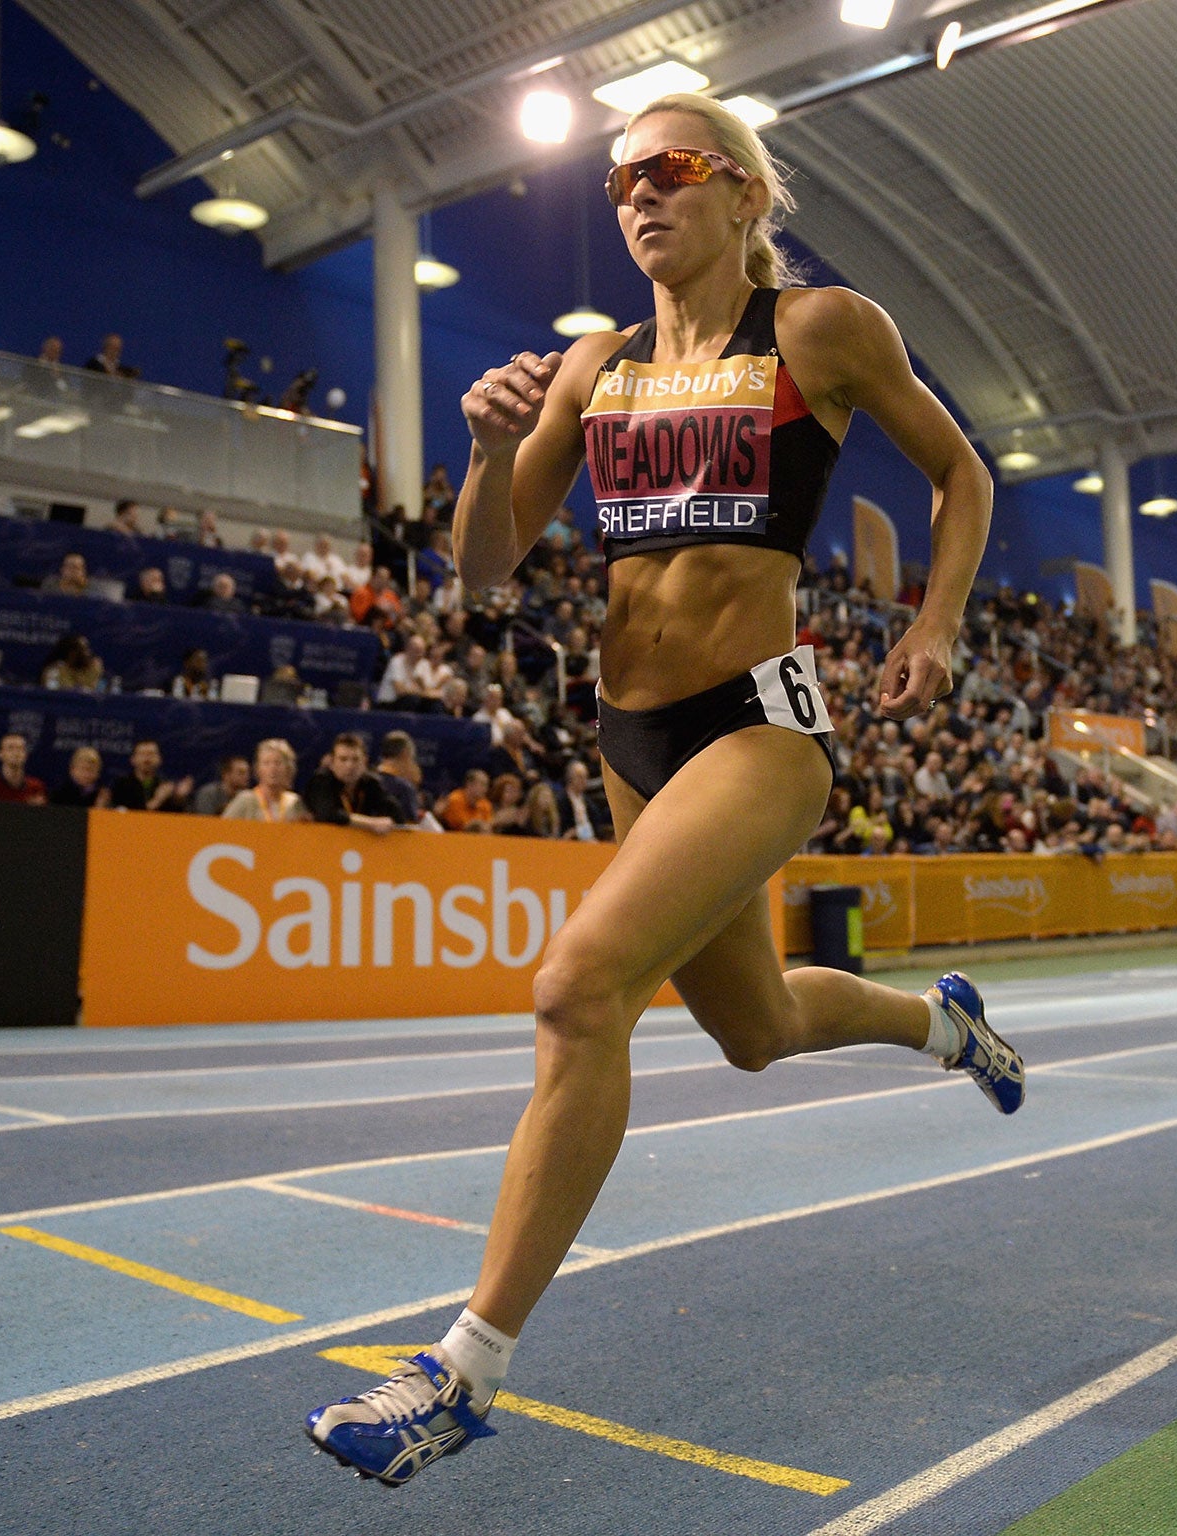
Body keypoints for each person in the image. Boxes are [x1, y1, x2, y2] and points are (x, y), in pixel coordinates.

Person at [306, 92, 1022, 1483]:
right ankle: (942, 1027)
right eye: (621, 177)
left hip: (758, 728)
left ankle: (464, 1369)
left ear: (746, 195)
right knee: (752, 1030)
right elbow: (481, 568)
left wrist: (935, 622)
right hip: (629, 742)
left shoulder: (820, 330)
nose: (640, 195)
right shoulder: (593, 367)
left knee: (576, 990)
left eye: (672, 170)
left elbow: (962, 475)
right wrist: (479, 443)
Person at [303, 732, 398, 832]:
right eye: (343, 759)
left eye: (356, 759)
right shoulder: (320, 781)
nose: (350, 766)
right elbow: (328, 814)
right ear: (331, 762)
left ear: (365, 762)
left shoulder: (371, 783)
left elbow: (394, 811)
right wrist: (370, 823)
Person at [222, 738, 312, 823]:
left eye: (278, 763)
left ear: (288, 768)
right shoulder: (245, 800)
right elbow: (222, 831)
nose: (272, 769)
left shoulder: (294, 802)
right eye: (266, 763)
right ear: (258, 769)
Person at [106, 739, 192, 812]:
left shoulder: (165, 786)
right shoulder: (121, 785)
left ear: (159, 759)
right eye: (142, 754)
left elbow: (175, 820)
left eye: (151, 754)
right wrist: (157, 801)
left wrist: (179, 799)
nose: (147, 758)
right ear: (133, 759)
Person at [0, 731, 48, 804]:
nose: (16, 753)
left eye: (20, 748)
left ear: (26, 754)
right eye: (10, 748)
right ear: (0, 754)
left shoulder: (36, 787)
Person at [374, 731, 425, 825]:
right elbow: (411, 828)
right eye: (412, 758)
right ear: (405, 754)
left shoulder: (366, 781)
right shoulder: (404, 788)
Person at [556, 758, 610, 841]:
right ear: (570, 777)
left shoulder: (589, 803)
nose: (583, 781)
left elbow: (596, 825)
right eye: (580, 777)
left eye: (585, 777)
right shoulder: (561, 801)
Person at [438, 766, 493, 832]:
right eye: (482, 784)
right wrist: (476, 825)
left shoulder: (486, 804)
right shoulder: (454, 799)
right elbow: (461, 827)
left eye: (486, 785)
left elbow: (488, 828)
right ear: (470, 784)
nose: (485, 789)